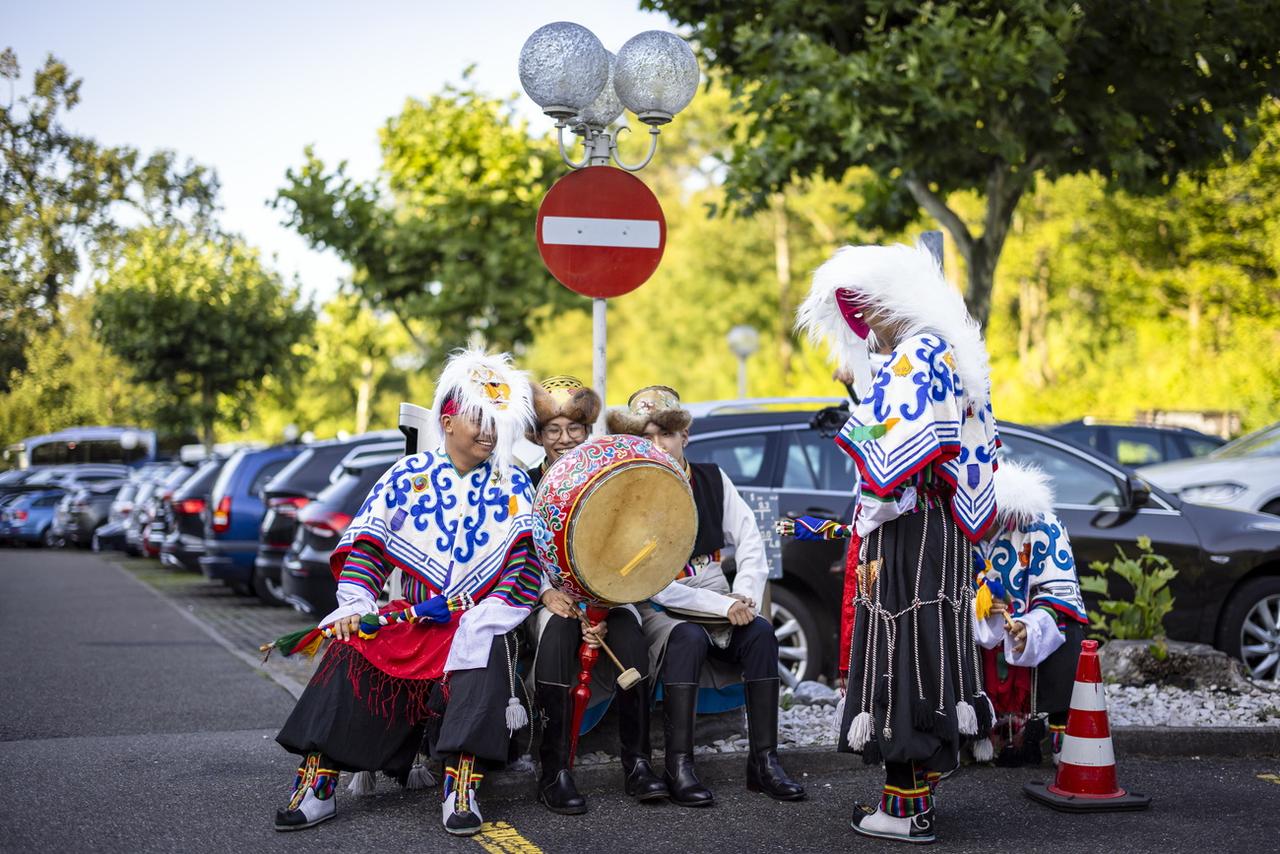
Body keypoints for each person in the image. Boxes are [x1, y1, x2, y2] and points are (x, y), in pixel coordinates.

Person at [272, 348, 542, 837]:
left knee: (483, 647)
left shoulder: (514, 484)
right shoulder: (407, 476)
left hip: (480, 615)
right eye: (477, 419)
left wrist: (492, 612)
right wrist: (356, 602)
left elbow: (523, 565)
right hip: (414, 616)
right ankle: (318, 784)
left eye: (494, 422)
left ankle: (461, 787)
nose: (487, 432)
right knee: (351, 644)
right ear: (448, 420)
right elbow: (367, 548)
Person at [795, 243, 1000, 844]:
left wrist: (858, 412)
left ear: (891, 303)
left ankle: (905, 810)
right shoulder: (949, 352)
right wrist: (868, 395)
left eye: (868, 310)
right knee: (929, 652)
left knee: (901, 653)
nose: (865, 326)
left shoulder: (918, 353)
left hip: (910, 534)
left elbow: (888, 464)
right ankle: (919, 792)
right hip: (941, 531)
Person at [608, 385, 805, 807]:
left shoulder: (712, 478)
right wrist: (724, 607)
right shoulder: (628, 493)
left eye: (666, 434)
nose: (658, 444)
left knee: (761, 635)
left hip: (714, 585)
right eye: (646, 436)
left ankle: (764, 761)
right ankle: (680, 765)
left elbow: (750, 540)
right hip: (660, 600)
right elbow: (656, 583)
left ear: (685, 436)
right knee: (688, 638)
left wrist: (745, 597)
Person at [525, 376, 667, 813]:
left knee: (628, 637)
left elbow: (625, 546)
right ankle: (554, 772)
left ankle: (638, 764)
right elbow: (518, 553)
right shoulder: (524, 484)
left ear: (588, 432)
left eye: (574, 429)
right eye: (554, 430)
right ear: (539, 435)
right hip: (550, 597)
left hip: (608, 594)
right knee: (556, 638)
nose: (565, 439)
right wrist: (549, 595)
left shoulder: (608, 478)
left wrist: (603, 605)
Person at [970, 459, 1087, 766]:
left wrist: (1031, 626)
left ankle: (1055, 734)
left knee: (1068, 628)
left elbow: (1060, 593)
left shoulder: (1041, 526)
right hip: (974, 628)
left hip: (1028, 621)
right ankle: (965, 734)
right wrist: (976, 609)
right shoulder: (956, 530)